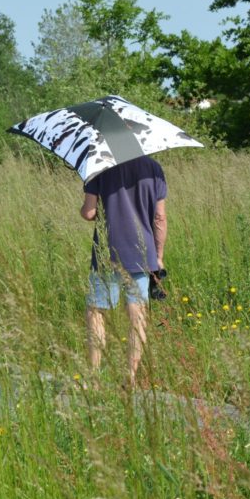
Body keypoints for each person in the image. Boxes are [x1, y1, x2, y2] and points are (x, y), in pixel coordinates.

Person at [80, 155, 168, 388]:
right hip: (142, 254)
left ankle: (94, 378)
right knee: (137, 316)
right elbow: (159, 217)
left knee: (96, 312)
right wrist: (158, 257)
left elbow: (89, 213)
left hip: (107, 252)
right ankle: (129, 377)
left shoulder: (97, 166)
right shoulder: (154, 168)